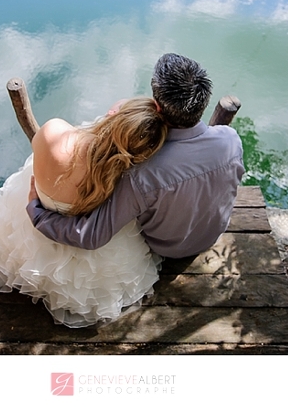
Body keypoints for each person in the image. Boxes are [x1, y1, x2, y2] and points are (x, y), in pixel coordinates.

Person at [0, 97, 168, 327]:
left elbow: (44, 149)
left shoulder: (54, 131)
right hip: (82, 240)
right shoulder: (124, 180)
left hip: (35, 216)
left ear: (115, 115)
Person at [27, 53, 245, 259]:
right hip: (211, 235)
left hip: (167, 249)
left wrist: (38, 214)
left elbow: (92, 235)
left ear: (157, 106)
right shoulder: (231, 140)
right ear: (203, 102)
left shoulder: (142, 172)